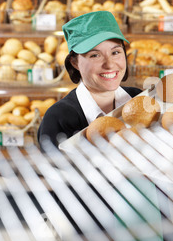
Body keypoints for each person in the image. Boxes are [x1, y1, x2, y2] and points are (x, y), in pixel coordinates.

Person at [38, 10, 142, 149]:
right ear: (75, 62)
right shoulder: (58, 118)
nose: (109, 64)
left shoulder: (137, 98)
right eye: (95, 55)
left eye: (115, 52)